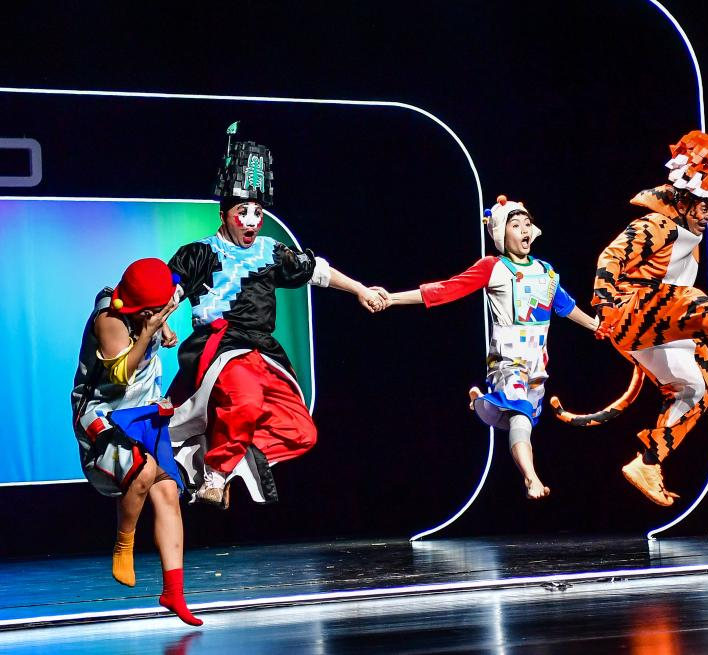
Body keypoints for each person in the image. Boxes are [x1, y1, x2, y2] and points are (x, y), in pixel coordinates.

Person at [550, 131, 708, 506]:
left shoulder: (693, 211)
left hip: (663, 324)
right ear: (685, 200)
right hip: (630, 311)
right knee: (689, 299)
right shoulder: (656, 225)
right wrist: (604, 307)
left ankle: (648, 462)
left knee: (698, 391)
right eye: (703, 207)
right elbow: (610, 257)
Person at [168, 125, 387, 508]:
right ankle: (215, 474)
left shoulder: (270, 251)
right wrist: (162, 322)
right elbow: (170, 290)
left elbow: (318, 271)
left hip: (262, 352)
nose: (252, 220)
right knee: (247, 401)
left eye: (257, 212)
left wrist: (360, 290)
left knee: (301, 431)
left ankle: (225, 465)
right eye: (242, 212)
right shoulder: (199, 253)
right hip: (221, 348)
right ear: (224, 214)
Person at [383, 195, 598, 499]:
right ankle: (531, 478)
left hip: (537, 365)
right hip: (508, 361)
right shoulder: (493, 267)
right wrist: (392, 298)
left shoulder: (546, 272)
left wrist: (597, 326)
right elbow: (447, 289)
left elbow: (565, 306)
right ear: (501, 234)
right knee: (520, 414)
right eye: (516, 225)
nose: (524, 229)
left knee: (521, 418)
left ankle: (482, 402)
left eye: (527, 224)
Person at [71, 257, 202, 625]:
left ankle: (174, 592)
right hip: (105, 414)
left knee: (167, 490)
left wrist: (164, 330)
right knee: (143, 471)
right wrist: (149, 332)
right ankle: (123, 544)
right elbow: (120, 376)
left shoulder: (153, 305)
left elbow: (166, 293)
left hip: (144, 410)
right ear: (143, 310)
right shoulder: (109, 321)